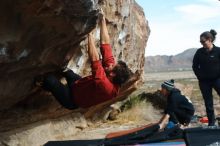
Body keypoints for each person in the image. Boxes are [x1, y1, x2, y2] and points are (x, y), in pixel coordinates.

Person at [35, 10, 132, 109]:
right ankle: (57, 83)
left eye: (112, 66)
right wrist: (102, 21)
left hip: (72, 99)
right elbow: (105, 44)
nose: (111, 64)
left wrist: (89, 34)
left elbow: (95, 60)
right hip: (78, 84)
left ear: (112, 74)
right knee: (67, 71)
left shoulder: (106, 88)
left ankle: (42, 84)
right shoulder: (112, 72)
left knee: (49, 80)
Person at [192, 29, 220, 126]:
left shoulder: (218, 51)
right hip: (204, 82)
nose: (202, 43)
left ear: (210, 40)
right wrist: (200, 76)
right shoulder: (199, 52)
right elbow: (194, 66)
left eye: (203, 41)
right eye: (200, 42)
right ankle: (211, 124)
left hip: (217, 80)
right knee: (208, 103)